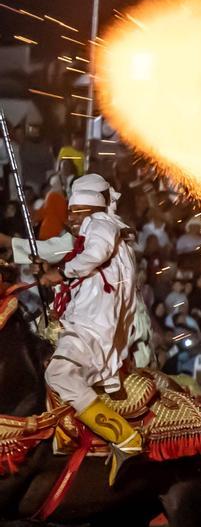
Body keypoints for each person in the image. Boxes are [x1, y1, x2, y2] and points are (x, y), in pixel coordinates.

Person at [37, 173, 141, 480]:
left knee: (57, 373)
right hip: (90, 323)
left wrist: (62, 273)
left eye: (73, 212)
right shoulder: (100, 231)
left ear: (86, 208)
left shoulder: (101, 223)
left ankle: (125, 438)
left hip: (91, 327)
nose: (69, 218)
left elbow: (92, 256)